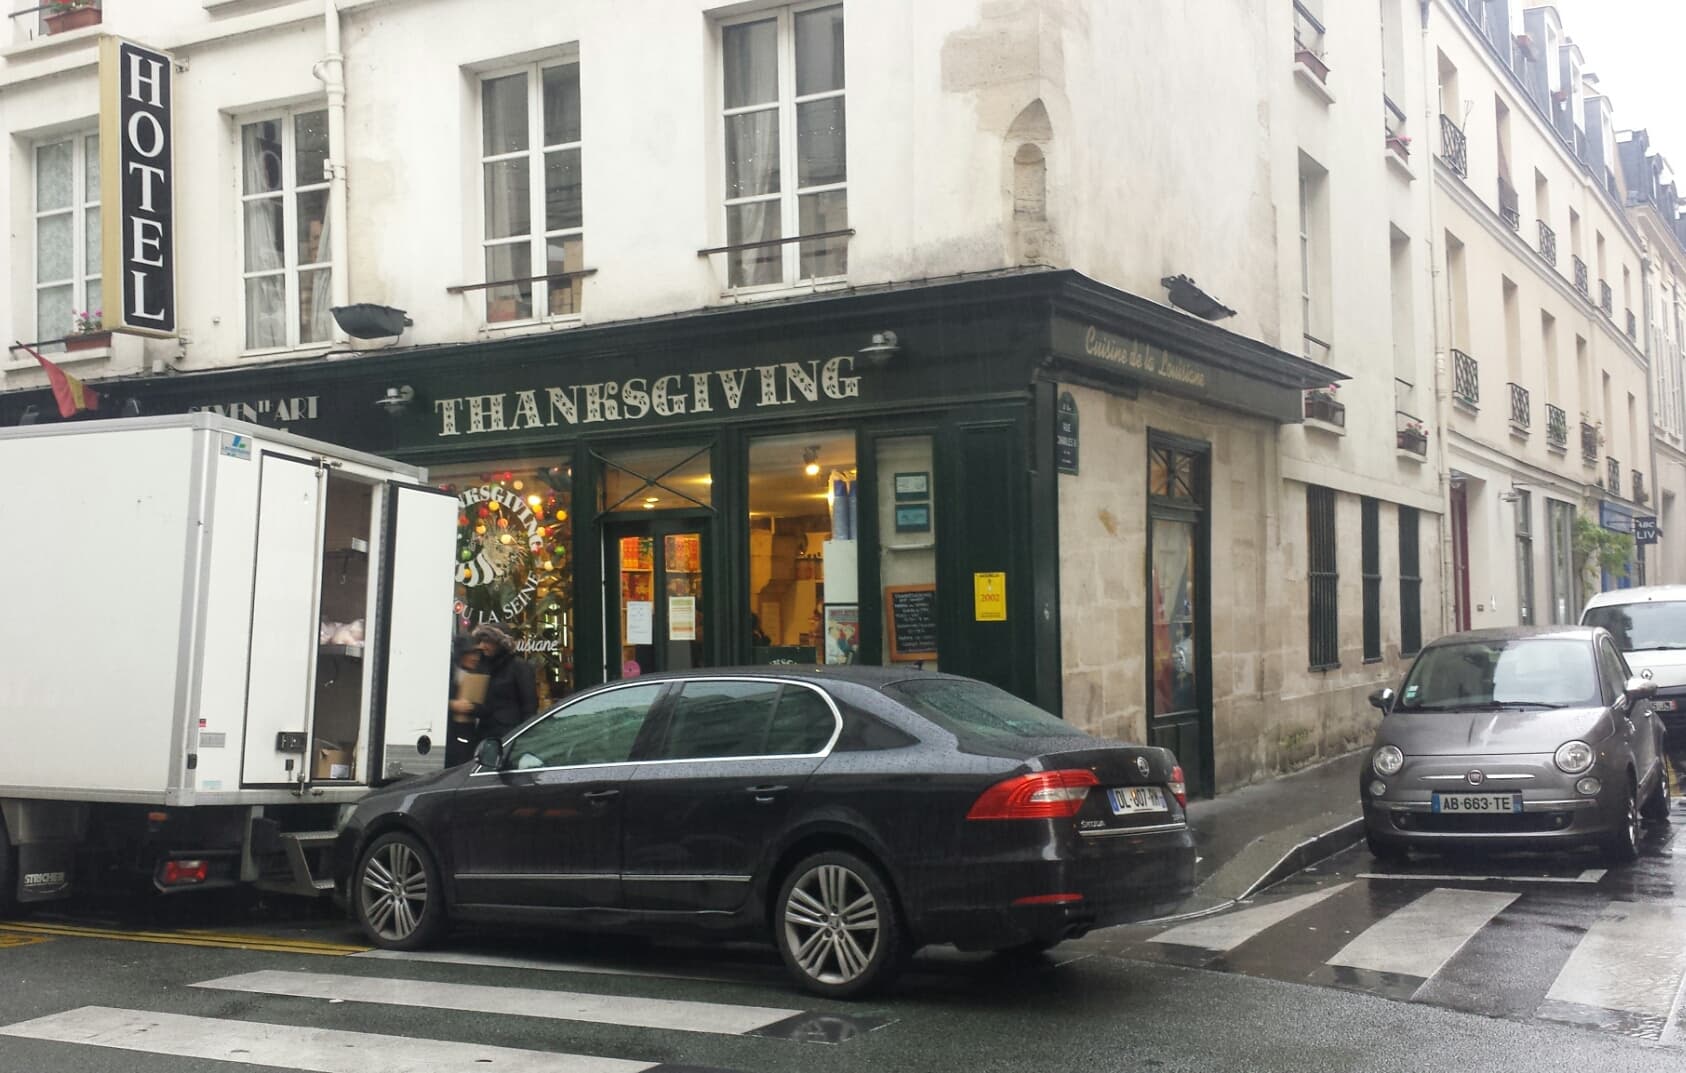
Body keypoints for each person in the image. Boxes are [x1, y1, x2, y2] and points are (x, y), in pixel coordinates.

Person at [449, 623, 538, 757]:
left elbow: (529, 706)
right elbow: (481, 703)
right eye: (482, 641)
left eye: (488, 641)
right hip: (485, 737)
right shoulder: (482, 667)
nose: (483, 646)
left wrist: (524, 739)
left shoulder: (519, 667)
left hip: (509, 736)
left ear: (501, 644)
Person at [443, 635, 483, 768]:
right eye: (471, 653)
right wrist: (452, 705)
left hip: (469, 735)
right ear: (461, 654)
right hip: (450, 734)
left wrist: (472, 707)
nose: (475, 658)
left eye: (477, 654)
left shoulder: (480, 674)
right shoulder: (447, 674)